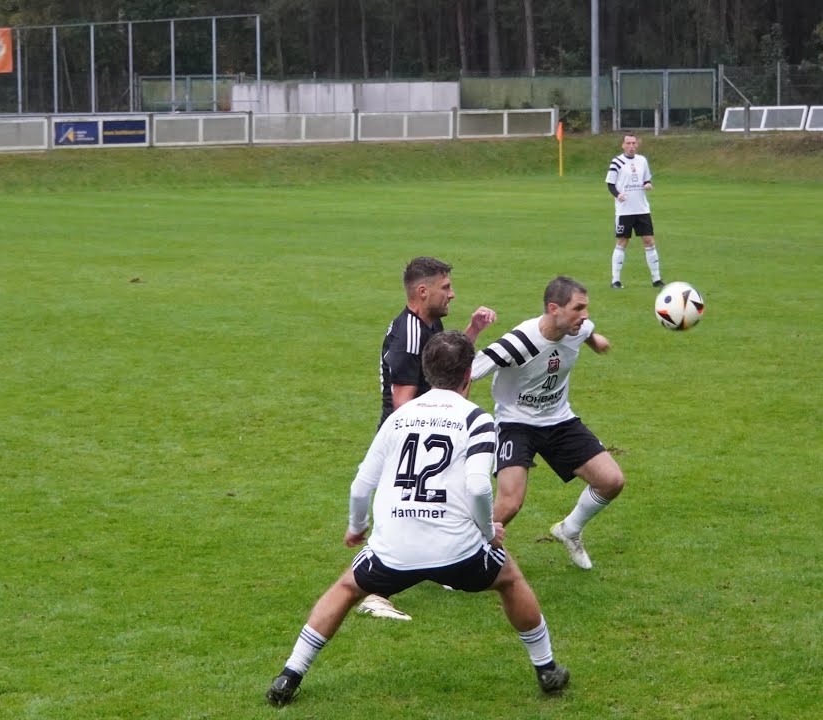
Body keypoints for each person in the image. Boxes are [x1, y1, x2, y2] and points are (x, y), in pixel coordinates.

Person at [266, 331, 570, 706]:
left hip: (394, 549)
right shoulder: (477, 419)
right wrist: (487, 531)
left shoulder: (399, 417)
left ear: (428, 374)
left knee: (346, 589)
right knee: (509, 578)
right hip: (458, 551)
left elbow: (362, 484)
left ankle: (289, 675)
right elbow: (478, 486)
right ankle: (547, 669)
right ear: (468, 374)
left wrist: (357, 526)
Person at [359, 256, 496, 621]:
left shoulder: (428, 324)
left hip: (426, 435)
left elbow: (445, 365)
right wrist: (450, 415)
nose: (452, 294)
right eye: (446, 287)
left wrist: (472, 330)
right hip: (408, 440)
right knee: (406, 512)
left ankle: (449, 565)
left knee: (438, 503)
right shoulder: (409, 336)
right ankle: (373, 591)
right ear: (423, 291)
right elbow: (403, 403)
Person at [470, 276, 624, 570]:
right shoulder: (519, 342)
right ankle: (463, 555)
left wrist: (596, 341)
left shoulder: (578, 328)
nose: (585, 315)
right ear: (554, 308)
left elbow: (588, 331)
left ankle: (570, 530)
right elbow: (469, 369)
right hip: (516, 423)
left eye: (586, 308)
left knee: (611, 481)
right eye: (578, 308)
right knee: (510, 503)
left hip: (559, 420)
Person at [605, 133, 664, 289]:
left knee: (649, 241)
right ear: (623, 145)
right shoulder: (616, 162)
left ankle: (657, 279)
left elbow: (646, 179)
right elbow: (610, 184)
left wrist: (648, 184)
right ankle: (615, 280)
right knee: (622, 241)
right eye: (628, 143)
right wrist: (618, 195)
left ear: (637, 145)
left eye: (633, 143)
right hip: (624, 211)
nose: (631, 146)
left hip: (642, 209)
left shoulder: (642, 161)